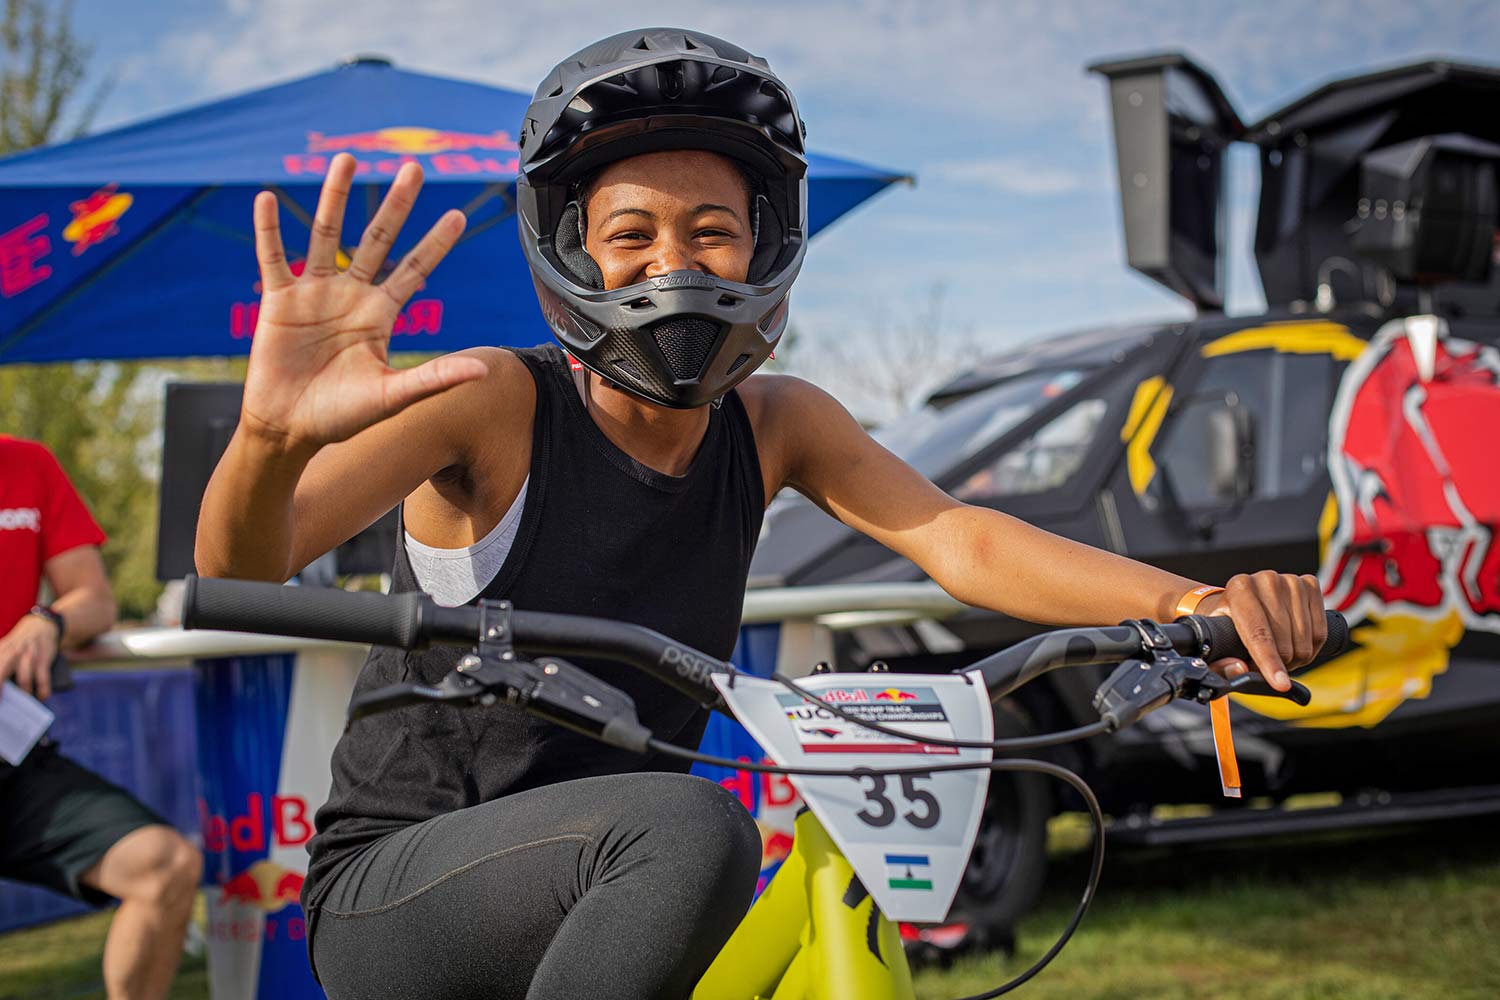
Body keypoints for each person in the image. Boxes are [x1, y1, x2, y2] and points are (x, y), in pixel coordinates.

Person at [194, 28, 1329, 1000]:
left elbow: (957, 536)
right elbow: (237, 570)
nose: (674, 264)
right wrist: (270, 438)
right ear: (571, 249)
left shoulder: (777, 421)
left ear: (766, 243)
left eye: (711, 230)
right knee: (696, 828)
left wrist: (1192, 605)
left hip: (615, 879)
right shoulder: (497, 400)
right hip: (405, 879)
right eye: (630, 234)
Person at [0, 434, 201, 1000]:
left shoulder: (27, 462)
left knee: (165, 866)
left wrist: (47, 619)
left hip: (14, 761)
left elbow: (94, 599)